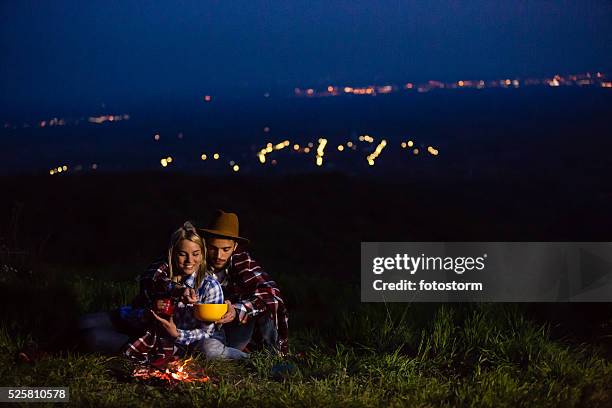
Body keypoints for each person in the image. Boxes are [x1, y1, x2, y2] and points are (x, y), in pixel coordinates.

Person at [80, 222, 248, 360]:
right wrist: (149, 312)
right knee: (84, 322)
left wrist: (177, 334)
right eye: (183, 254)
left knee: (92, 338)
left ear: (202, 255)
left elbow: (207, 332)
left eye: (196, 254)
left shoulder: (209, 286)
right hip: (142, 327)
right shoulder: (162, 274)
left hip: (171, 343)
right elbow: (149, 289)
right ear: (173, 254)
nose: (190, 261)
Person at [198, 210, 289, 355]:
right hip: (203, 327)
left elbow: (272, 294)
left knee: (265, 304)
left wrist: (237, 309)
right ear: (205, 244)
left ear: (234, 247)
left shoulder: (242, 261)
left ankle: (268, 352)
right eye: (213, 248)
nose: (219, 256)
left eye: (225, 249)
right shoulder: (195, 257)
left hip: (236, 325)